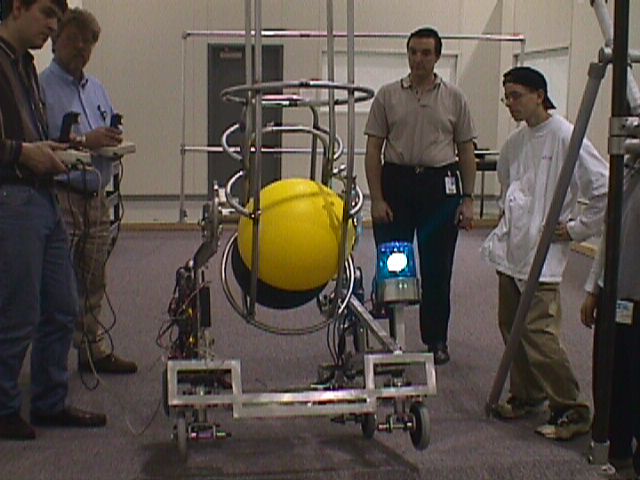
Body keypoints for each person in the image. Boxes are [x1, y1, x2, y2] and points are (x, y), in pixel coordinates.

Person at [481, 66, 609, 440]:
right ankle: (528, 394)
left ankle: (572, 407)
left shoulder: (567, 136)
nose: (510, 103)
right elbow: (509, 185)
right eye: (506, 97)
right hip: (513, 251)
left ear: (539, 95)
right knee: (511, 327)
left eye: (516, 95)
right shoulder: (516, 142)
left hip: (543, 254)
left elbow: (603, 189)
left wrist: (576, 229)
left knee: (538, 333)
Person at [0, 0, 106, 441]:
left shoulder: (24, 66)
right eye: (46, 14)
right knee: (17, 311)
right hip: (13, 197)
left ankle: (48, 401)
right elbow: (14, 146)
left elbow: (29, 134)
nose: (51, 27)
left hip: (43, 197)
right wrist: (26, 153)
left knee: (63, 307)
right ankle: (4, 408)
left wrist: (53, 149)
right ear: (17, 7)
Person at [364, 26, 477, 365]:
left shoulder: (455, 98)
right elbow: (373, 149)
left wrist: (467, 199)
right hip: (397, 182)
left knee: (437, 269)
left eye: (426, 53)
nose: (418, 59)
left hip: (438, 186)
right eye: (413, 52)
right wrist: (376, 198)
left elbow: (466, 150)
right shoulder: (387, 95)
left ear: (437, 57)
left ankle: (436, 339)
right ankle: (391, 338)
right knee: (392, 264)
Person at [39, 8, 137, 374]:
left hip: (96, 197)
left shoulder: (96, 88)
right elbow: (38, 144)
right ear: (55, 41)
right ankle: (51, 367)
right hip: (60, 196)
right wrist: (85, 141)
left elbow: (104, 128)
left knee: (94, 278)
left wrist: (111, 138)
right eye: (73, 39)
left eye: (88, 42)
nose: (81, 47)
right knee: (57, 287)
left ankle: (92, 349)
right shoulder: (40, 88)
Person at [581, 156, 640, 478]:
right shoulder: (626, 167)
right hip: (614, 292)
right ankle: (616, 448)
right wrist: (594, 287)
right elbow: (610, 231)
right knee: (611, 376)